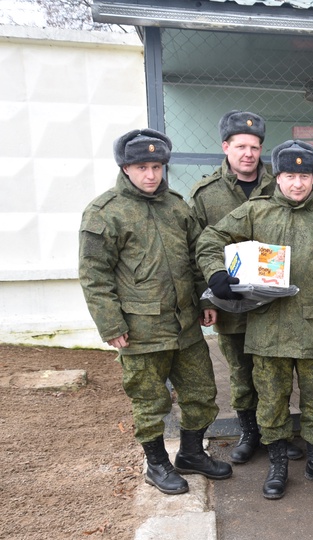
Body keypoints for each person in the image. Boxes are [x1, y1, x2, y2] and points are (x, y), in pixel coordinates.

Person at [196, 140, 313, 500]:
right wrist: (215, 273)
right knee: (271, 401)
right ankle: (277, 465)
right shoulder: (256, 213)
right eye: (290, 175)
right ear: (279, 177)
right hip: (267, 328)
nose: (297, 184)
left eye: (304, 176)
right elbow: (211, 238)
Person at [79, 128, 232, 496]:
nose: (151, 175)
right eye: (142, 167)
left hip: (185, 326)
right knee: (149, 401)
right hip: (140, 328)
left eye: (157, 166)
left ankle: (192, 453)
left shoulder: (177, 207)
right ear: (125, 168)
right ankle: (157, 463)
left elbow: (197, 261)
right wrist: (111, 324)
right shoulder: (105, 213)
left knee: (201, 392)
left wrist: (206, 301)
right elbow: (94, 275)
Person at [188, 109, 304, 464]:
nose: (248, 154)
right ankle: (250, 432)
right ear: (226, 147)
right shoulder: (206, 195)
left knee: (276, 373)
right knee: (241, 372)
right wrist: (206, 294)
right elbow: (195, 248)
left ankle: (277, 436)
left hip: (274, 301)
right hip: (231, 299)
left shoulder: (281, 183)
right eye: (240, 146)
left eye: (254, 147)